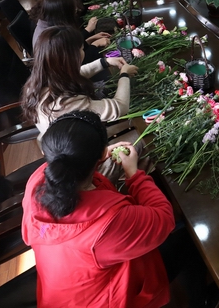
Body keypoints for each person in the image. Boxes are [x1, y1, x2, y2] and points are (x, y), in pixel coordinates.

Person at [21, 110, 175, 307]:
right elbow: (164, 217)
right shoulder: (107, 224)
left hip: (60, 294)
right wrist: (133, 174)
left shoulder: (38, 180)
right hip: (102, 301)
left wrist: (95, 155)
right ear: (103, 154)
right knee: (184, 241)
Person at [21, 25, 138, 135]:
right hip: (82, 144)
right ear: (71, 58)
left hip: (65, 136)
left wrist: (104, 62)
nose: (83, 52)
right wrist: (124, 75)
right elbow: (120, 107)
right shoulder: (64, 103)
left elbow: (72, 76)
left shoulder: (38, 80)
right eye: (82, 49)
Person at [31, 0, 110, 52]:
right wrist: (95, 44)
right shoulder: (54, 37)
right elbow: (78, 61)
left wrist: (91, 40)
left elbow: (73, 48)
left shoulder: (47, 23)